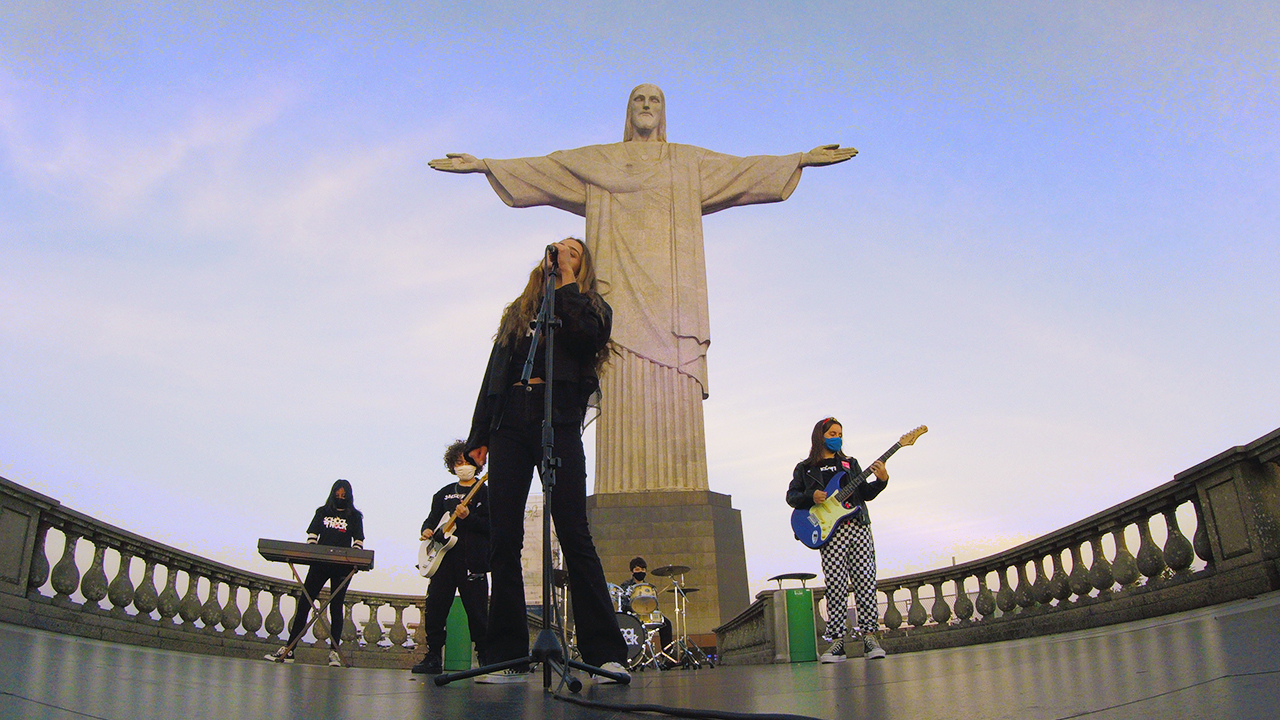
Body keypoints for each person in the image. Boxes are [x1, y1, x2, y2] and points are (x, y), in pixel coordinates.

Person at [431, 84, 858, 496]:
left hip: (673, 299)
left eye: (655, 100)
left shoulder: (686, 162)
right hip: (616, 297)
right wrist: (486, 164)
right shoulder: (601, 161)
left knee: (673, 378)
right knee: (614, 367)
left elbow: (742, 169)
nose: (646, 105)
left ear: (664, 112)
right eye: (639, 99)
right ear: (628, 110)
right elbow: (547, 168)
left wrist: (799, 159)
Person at [466, 236, 629, 684]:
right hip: (509, 421)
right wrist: (478, 435)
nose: (563, 255)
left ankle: (604, 655)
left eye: (574, 253)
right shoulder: (519, 313)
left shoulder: (589, 306)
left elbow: (588, 336)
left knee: (575, 532)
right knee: (504, 537)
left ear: (583, 267)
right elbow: (494, 371)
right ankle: (506, 655)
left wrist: (569, 285)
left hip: (556, 417)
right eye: (558, 251)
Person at [786, 418, 889, 662]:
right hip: (830, 531)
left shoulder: (849, 464)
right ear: (820, 436)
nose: (837, 437)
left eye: (840, 433)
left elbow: (864, 493)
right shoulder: (805, 468)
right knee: (836, 585)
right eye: (832, 433)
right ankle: (837, 642)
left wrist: (882, 480)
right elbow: (792, 497)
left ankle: (870, 637)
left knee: (865, 580)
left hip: (858, 526)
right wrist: (813, 495)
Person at [265, 479, 365, 667]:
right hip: (319, 564)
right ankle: (289, 649)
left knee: (336, 607)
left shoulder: (355, 517)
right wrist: (312, 554)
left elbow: (358, 541)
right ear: (333, 494)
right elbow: (312, 537)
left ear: (349, 495)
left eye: (344, 495)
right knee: (304, 603)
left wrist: (355, 560)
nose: (340, 497)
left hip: (342, 567)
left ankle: (334, 653)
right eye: (338, 494)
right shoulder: (322, 512)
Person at [411, 441, 490, 675]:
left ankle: (484, 655)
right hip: (443, 559)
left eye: (467, 462)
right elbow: (432, 519)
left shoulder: (486, 492)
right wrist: (426, 530)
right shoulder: (442, 493)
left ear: (476, 463)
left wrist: (469, 518)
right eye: (458, 463)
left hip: (472, 559)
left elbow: (492, 527)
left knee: (477, 609)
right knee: (435, 605)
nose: (463, 466)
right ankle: (433, 654)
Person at [616, 557, 672, 656]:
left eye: (642, 570)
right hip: (633, 615)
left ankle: (667, 655)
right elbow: (622, 604)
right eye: (637, 570)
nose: (640, 572)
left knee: (666, 623)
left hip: (647, 614)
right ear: (632, 571)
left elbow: (655, 605)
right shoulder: (625, 585)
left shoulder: (649, 587)